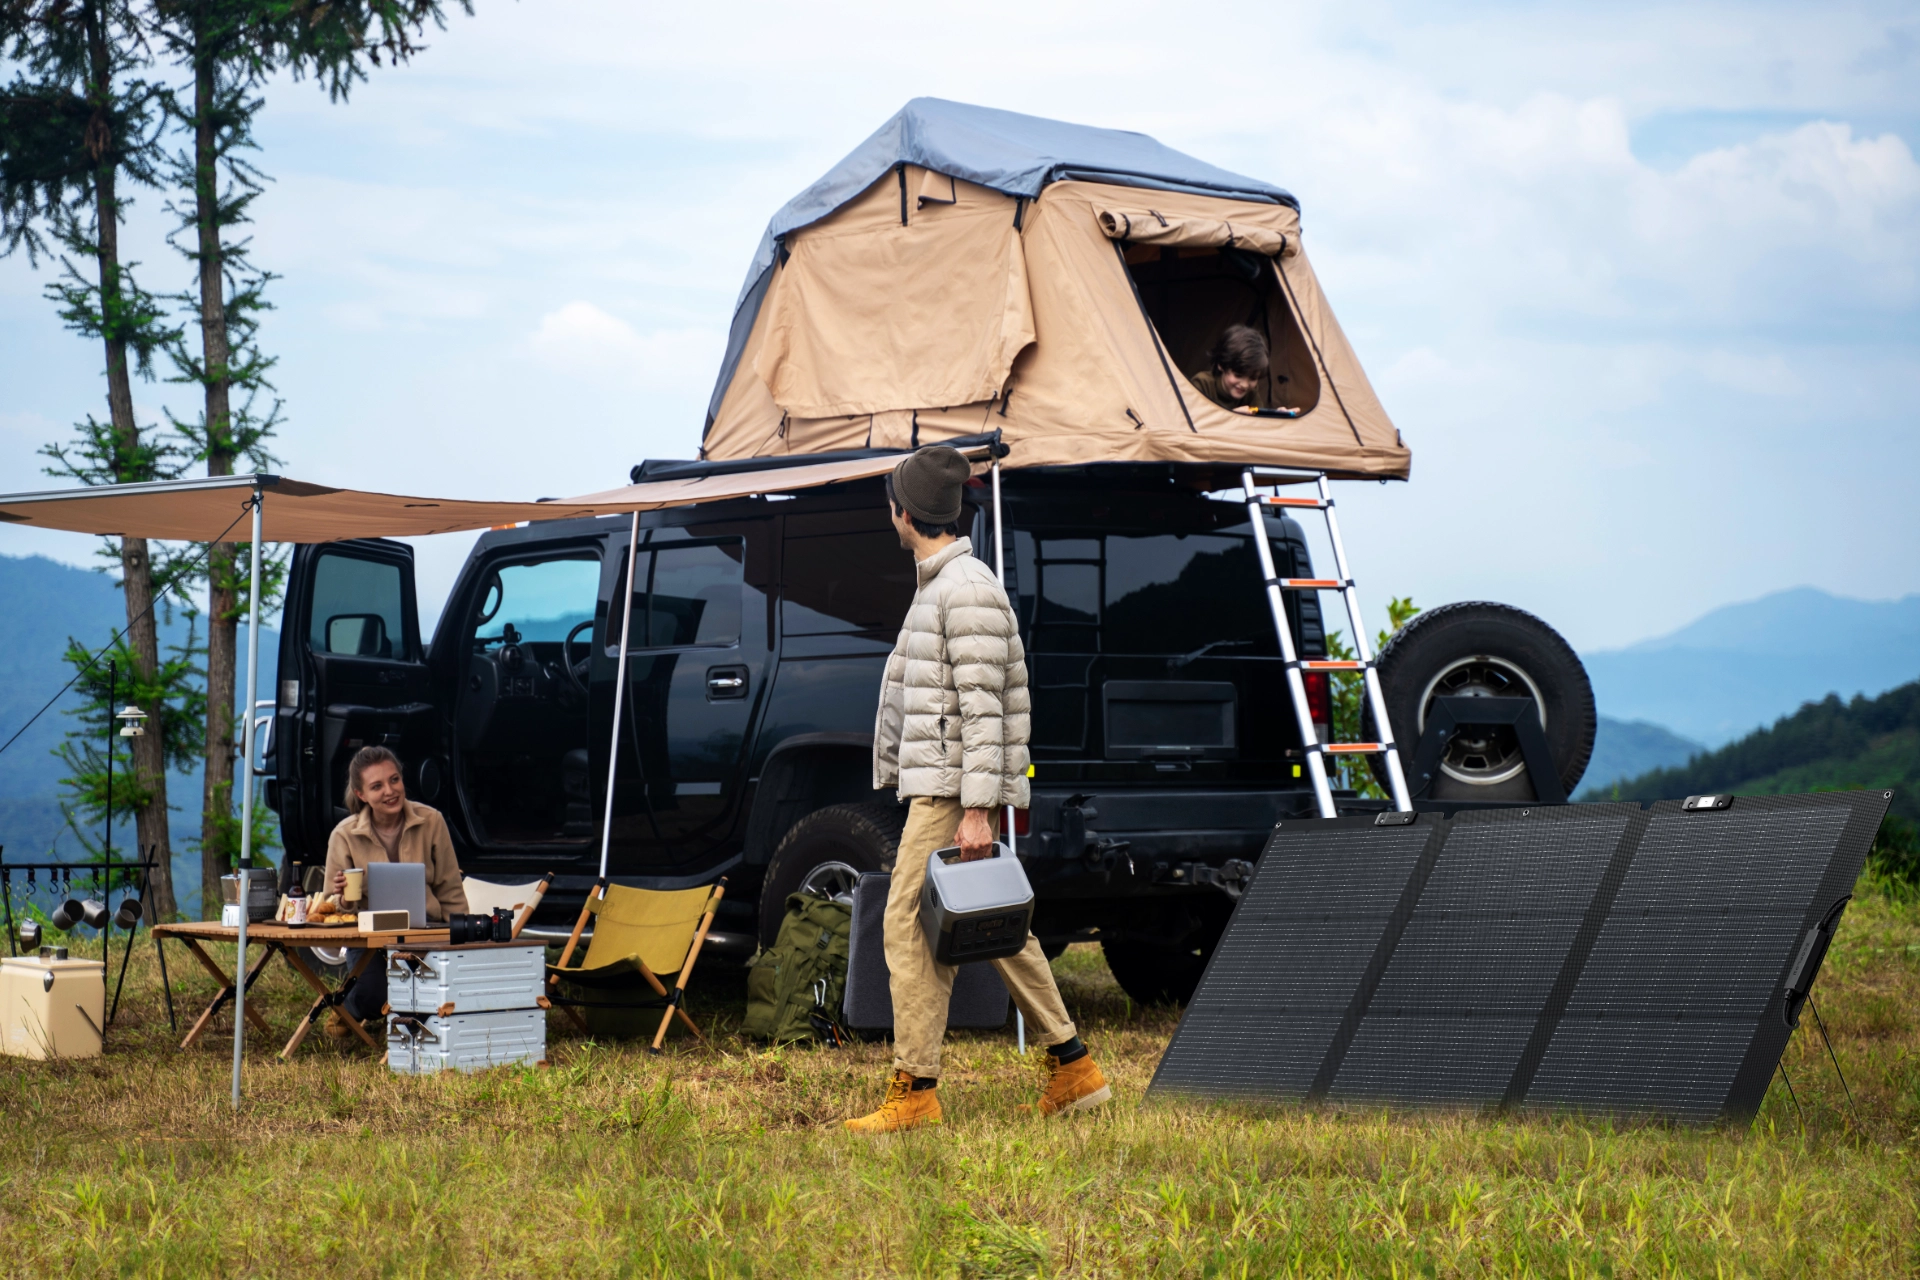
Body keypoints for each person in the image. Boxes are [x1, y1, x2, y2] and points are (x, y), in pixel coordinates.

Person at [845, 446, 1111, 1134]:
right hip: (944, 786)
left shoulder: (963, 589)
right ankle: (1073, 1066)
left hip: (950, 794)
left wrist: (978, 809)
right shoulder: (945, 583)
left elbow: (985, 707)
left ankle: (915, 1091)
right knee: (987, 920)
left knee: (907, 923)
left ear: (905, 513)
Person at [322, 745, 468, 1040]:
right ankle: (346, 1006)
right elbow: (330, 906)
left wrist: (462, 936)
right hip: (369, 938)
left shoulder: (432, 821)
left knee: (439, 990)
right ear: (361, 794)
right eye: (377, 786)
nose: (390, 791)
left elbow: (449, 885)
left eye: (394, 780)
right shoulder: (344, 834)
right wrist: (344, 898)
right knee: (373, 997)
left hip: (425, 929)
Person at [1190, 323, 1275, 413]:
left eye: (1253, 378)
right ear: (1221, 365)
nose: (1245, 385)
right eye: (1238, 375)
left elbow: (1260, 420)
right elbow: (1192, 420)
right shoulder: (1202, 384)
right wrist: (1233, 416)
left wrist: (1277, 416)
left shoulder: (1251, 393)